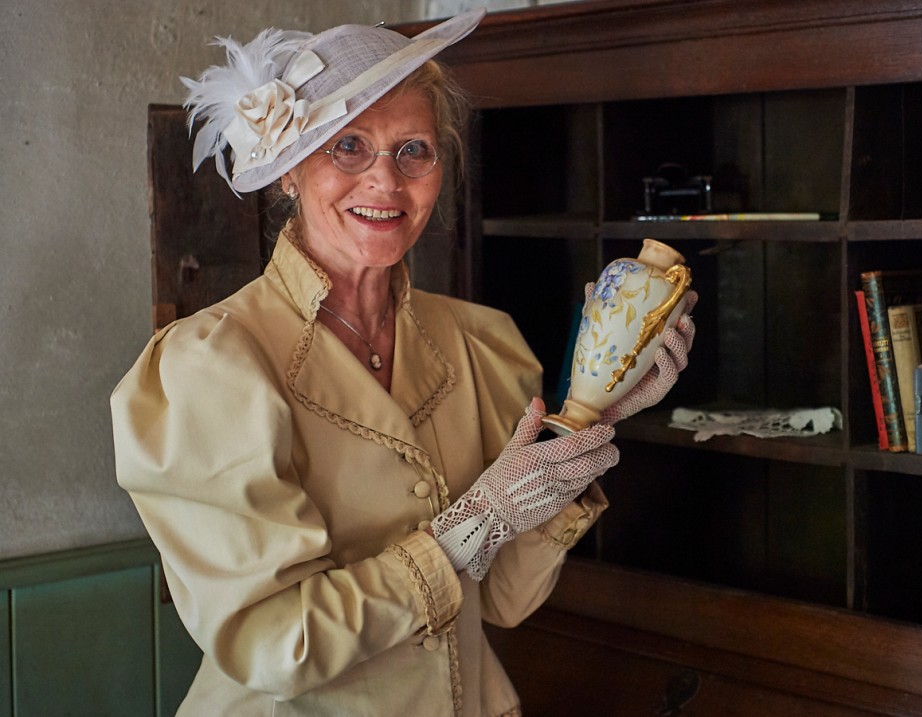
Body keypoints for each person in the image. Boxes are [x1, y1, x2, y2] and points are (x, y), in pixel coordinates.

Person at [111, 8, 696, 716]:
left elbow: (507, 599)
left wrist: (588, 414)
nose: (385, 181)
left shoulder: (480, 344)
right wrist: (470, 524)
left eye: (412, 150)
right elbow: (276, 642)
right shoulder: (212, 365)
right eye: (348, 146)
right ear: (291, 170)